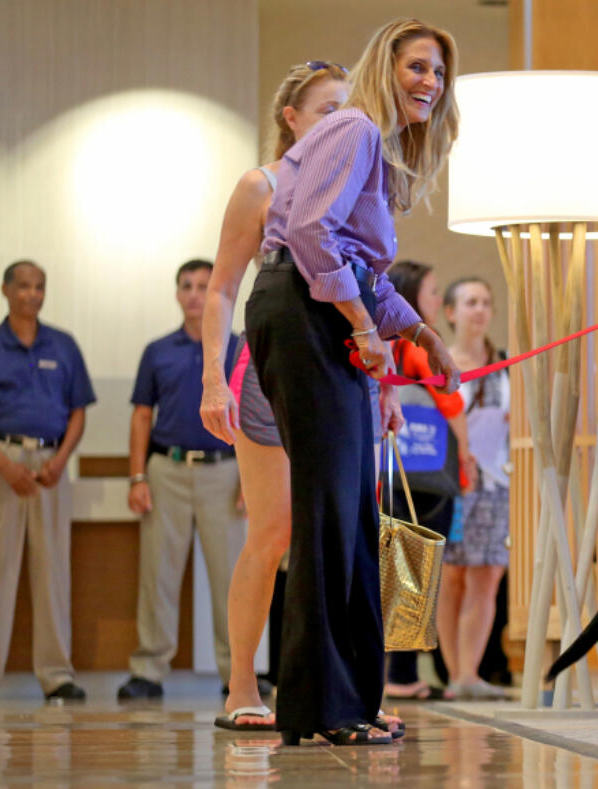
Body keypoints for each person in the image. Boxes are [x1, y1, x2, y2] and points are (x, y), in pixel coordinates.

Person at [245, 17, 461, 745]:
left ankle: (343, 702)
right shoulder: (357, 130)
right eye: (419, 67)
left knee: (346, 515)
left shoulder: (374, 144)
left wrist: (420, 332)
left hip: (319, 315)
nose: (431, 82)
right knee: (331, 515)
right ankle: (323, 707)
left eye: (439, 73)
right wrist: (366, 330)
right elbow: (309, 234)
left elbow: (363, 271)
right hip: (302, 314)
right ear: (387, 67)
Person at [200, 61, 349, 730]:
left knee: (340, 534)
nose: (339, 123)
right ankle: (241, 685)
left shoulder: (354, 184)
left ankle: (337, 687)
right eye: (326, 110)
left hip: (338, 370)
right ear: (291, 117)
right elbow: (223, 286)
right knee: (273, 531)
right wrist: (211, 374)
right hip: (266, 370)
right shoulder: (260, 184)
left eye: (348, 112)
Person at [0, 261, 95, 703]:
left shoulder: (63, 345)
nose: (32, 294)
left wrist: (60, 461)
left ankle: (57, 674)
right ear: (5, 290)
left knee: (53, 571)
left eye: (40, 286)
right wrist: (5, 465)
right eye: (23, 286)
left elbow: (78, 410)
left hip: (49, 469)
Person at [117, 259, 245, 699]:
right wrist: (137, 477)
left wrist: (251, 478)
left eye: (203, 286)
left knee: (232, 578)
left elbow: (254, 416)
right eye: (187, 285)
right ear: (177, 294)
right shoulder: (158, 351)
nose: (194, 293)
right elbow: (140, 416)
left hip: (226, 472)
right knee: (159, 575)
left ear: (216, 293)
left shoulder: (239, 347)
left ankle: (239, 673)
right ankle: (149, 670)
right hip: (166, 471)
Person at [384, 261, 475, 701]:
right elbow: (451, 403)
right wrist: (467, 455)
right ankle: (401, 675)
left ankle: (396, 672)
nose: (438, 300)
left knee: (393, 571)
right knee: (418, 573)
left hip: (389, 474)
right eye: (433, 292)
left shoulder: (380, 345)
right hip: (427, 479)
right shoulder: (420, 346)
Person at [438, 277, 511, 701]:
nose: (479, 310)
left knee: (488, 575)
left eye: (485, 302)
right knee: (453, 577)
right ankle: (455, 674)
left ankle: (470, 671)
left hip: (496, 482)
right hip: (452, 484)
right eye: (470, 302)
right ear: (451, 312)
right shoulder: (440, 365)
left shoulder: (504, 365)